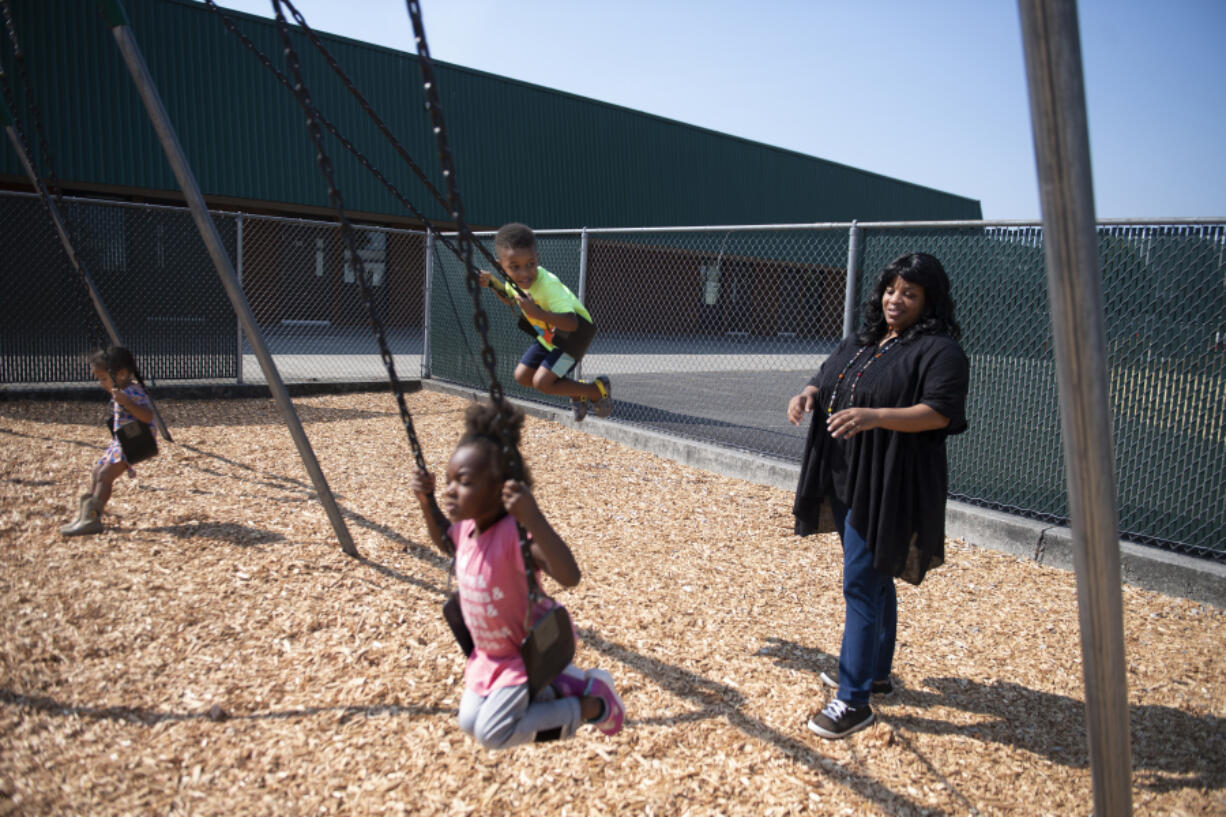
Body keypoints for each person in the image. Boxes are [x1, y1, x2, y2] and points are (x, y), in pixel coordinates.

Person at [786, 252, 969, 740]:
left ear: (928, 301)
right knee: (874, 573)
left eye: (910, 293)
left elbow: (940, 413)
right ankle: (877, 674)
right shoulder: (867, 338)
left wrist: (876, 416)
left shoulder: (939, 350)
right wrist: (806, 393)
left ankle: (853, 700)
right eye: (892, 289)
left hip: (891, 479)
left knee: (861, 584)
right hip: (848, 474)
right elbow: (827, 375)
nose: (896, 300)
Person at [410, 399, 625, 749]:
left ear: (499, 490)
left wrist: (533, 517)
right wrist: (425, 501)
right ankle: (557, 690)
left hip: (525, 656)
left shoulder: (515, 536)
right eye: (448, 480)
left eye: (463, 482)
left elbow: (569, 575)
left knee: (493, 734)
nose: (450, 489)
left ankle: (592, 705)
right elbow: (443, 541)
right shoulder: (464, 530)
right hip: (488, 655)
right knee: (468, 720)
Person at [477, 222, 612, 421]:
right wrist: (492, 283)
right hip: (549, 338)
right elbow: (509, 297)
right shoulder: (513, 281)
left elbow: (572, 322)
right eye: (515, 267)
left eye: (530, 264)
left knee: (543, 383)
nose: (524, 273)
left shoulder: (548, 285)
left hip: (573, 338)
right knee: (522, 377)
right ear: (501, 267)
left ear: (537, 259)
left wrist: (537, 312)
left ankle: (596, 390)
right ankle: (576, 391)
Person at [61, 346, 157, 537]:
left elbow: (147, 416)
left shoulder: (132, 392)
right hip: (121, 440)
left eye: (103, 378)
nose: (101, 383)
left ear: (121, 374)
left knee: (105, 475)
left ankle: (93, 519)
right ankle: (86, 513)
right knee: (98, 471)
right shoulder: (121, 390)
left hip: (134, 441)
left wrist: (127, 403)